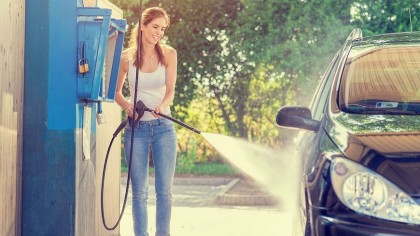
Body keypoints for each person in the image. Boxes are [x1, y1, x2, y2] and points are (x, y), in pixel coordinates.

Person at [115, 7, 177, 236]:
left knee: (165, 192)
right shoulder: (125, 58)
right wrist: (127, 107)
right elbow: (115, 92)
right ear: (142, 25)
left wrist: (162, 106)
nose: (158, 32)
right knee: (139, 193)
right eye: (155, 27)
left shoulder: (169, 54)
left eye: (162, 28)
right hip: (136, 130)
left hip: (164, 129)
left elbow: (170, 91)